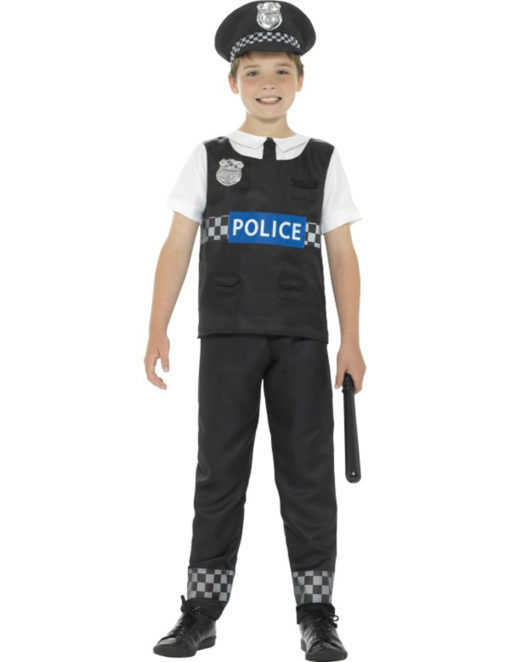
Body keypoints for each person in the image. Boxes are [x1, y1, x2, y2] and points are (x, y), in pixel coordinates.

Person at [144, 2, 366, 660]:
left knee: (308, 476)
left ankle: (316, 613)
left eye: (280, 71)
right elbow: (177, 246)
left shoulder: (322, 160)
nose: (267, 84)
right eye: (252, 72)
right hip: (227, 338)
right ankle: (201, 610)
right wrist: (157, 328)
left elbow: (343, 255)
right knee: (219, 473)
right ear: (232, 82)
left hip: (301, 341)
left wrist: (351, 341)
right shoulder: (208, 158)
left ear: (300, 80)